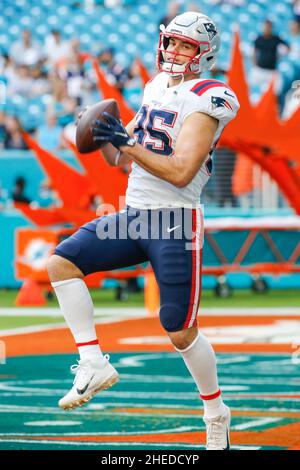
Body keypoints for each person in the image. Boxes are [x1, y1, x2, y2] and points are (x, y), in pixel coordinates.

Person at [47, 11, 239, 450]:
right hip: (132, 215)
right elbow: (122, 159)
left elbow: (181, 169)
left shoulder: (211, 96)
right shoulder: (156, 87)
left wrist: (126, 140)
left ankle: (215, 412)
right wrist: (104, 134)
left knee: (179, 330)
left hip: (174, 222)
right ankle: (93, 362)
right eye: (170, 42)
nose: (173, 51)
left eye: (184, 45)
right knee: (62, 261)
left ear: (203, 53)